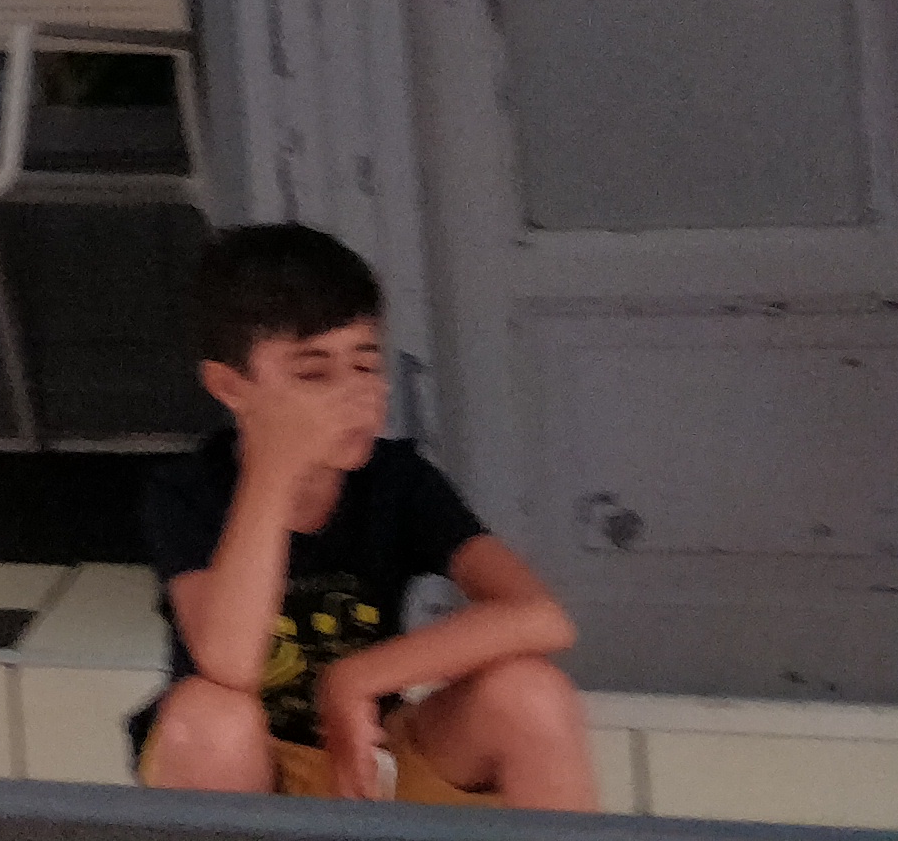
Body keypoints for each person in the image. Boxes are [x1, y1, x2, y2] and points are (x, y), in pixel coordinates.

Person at [135, 224, 594, 808]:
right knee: (208, 717)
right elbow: (229, 663)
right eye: (313, 374)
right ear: (230, 386)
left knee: (531, 692)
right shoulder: (187, 493)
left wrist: (356, 679)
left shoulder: (397, 480)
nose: (354, 395)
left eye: (366, 366)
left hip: (371, 755)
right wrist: (273, 472)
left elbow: (542, 618)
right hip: (252, 772)